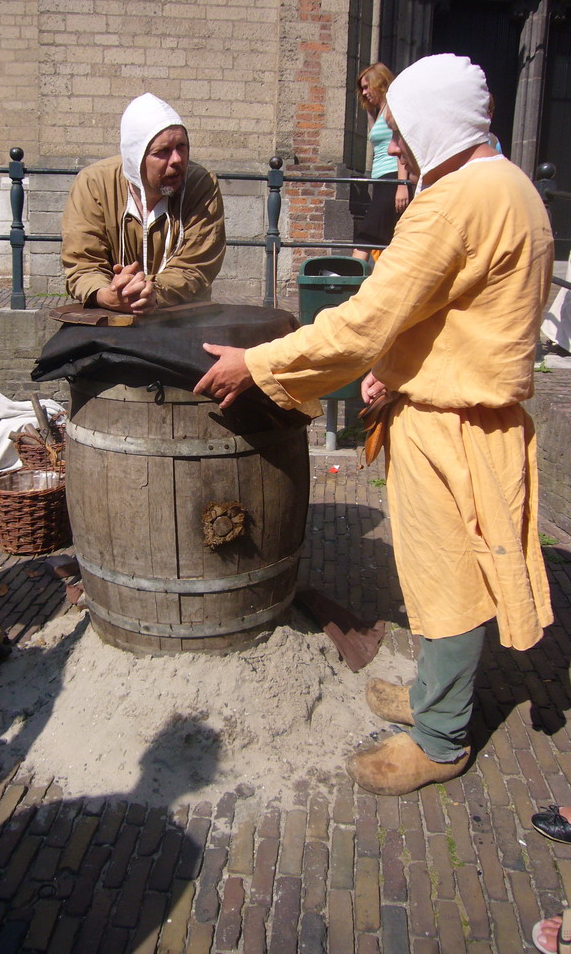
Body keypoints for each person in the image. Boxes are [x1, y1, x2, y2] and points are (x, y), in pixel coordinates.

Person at [193, 53, 554, 796]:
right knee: (444, 569)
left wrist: (259, 365)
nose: (397, 149)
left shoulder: (455, 201)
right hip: (472, 413)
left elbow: (361, 320)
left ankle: (441, 738)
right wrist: (395, 366)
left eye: (400, 132)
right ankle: (435, 700)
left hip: (450, 425)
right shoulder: (510, 186)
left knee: (449, 578)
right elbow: (449, 311)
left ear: (432, 122)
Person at [61, 92, 226, 315]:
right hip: (110, 314)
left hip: (182, 314)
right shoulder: (93, 184)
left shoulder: (201, 184)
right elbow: (83, 263)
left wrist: (152, 292)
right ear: (135, 157)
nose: (177, 160)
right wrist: (107, 293)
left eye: (182, 147)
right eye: (163, 152)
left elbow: (196, 266)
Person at [351, 62, 412, 262]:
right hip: (381, 179)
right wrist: (370, 109)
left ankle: (350, 278)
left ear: (380, 83)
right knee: (383, 234)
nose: (365, 92)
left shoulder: (394, 108)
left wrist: (402, 185)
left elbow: (402, 142)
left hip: (392, 178)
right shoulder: (380, 110)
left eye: (368, 86)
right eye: (362, 88)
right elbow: (376, 138)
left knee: (368, 232)